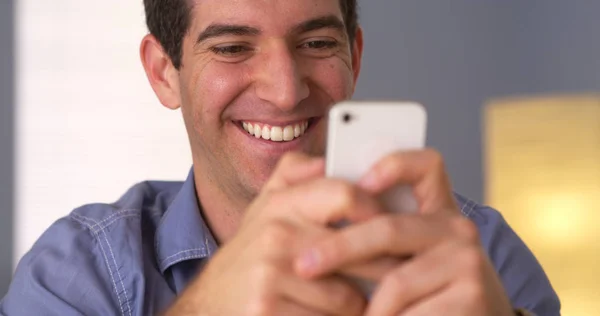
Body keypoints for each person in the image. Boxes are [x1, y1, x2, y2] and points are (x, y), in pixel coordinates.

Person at [1, 0, 560, 315]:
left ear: (354, 57)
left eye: (316, 44)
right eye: (232, 48)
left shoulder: (481, 255)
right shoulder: (77, 272)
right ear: (163, 72)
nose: (286, 90)